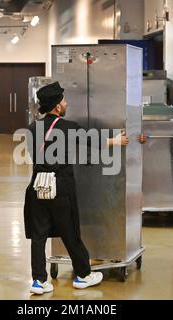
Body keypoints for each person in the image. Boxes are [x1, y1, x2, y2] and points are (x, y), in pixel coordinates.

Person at [24, 82, 132, 295]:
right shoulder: (68, 127)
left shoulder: (30, 129)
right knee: (70, 231)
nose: (66, 103)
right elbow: (93, 140)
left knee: (39, 235)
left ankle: (39, 281)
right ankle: (83, 275)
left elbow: (33, 155)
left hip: (38, 185)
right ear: (56, 107)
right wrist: (117, 141)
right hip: (61, 187)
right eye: (63, 100)